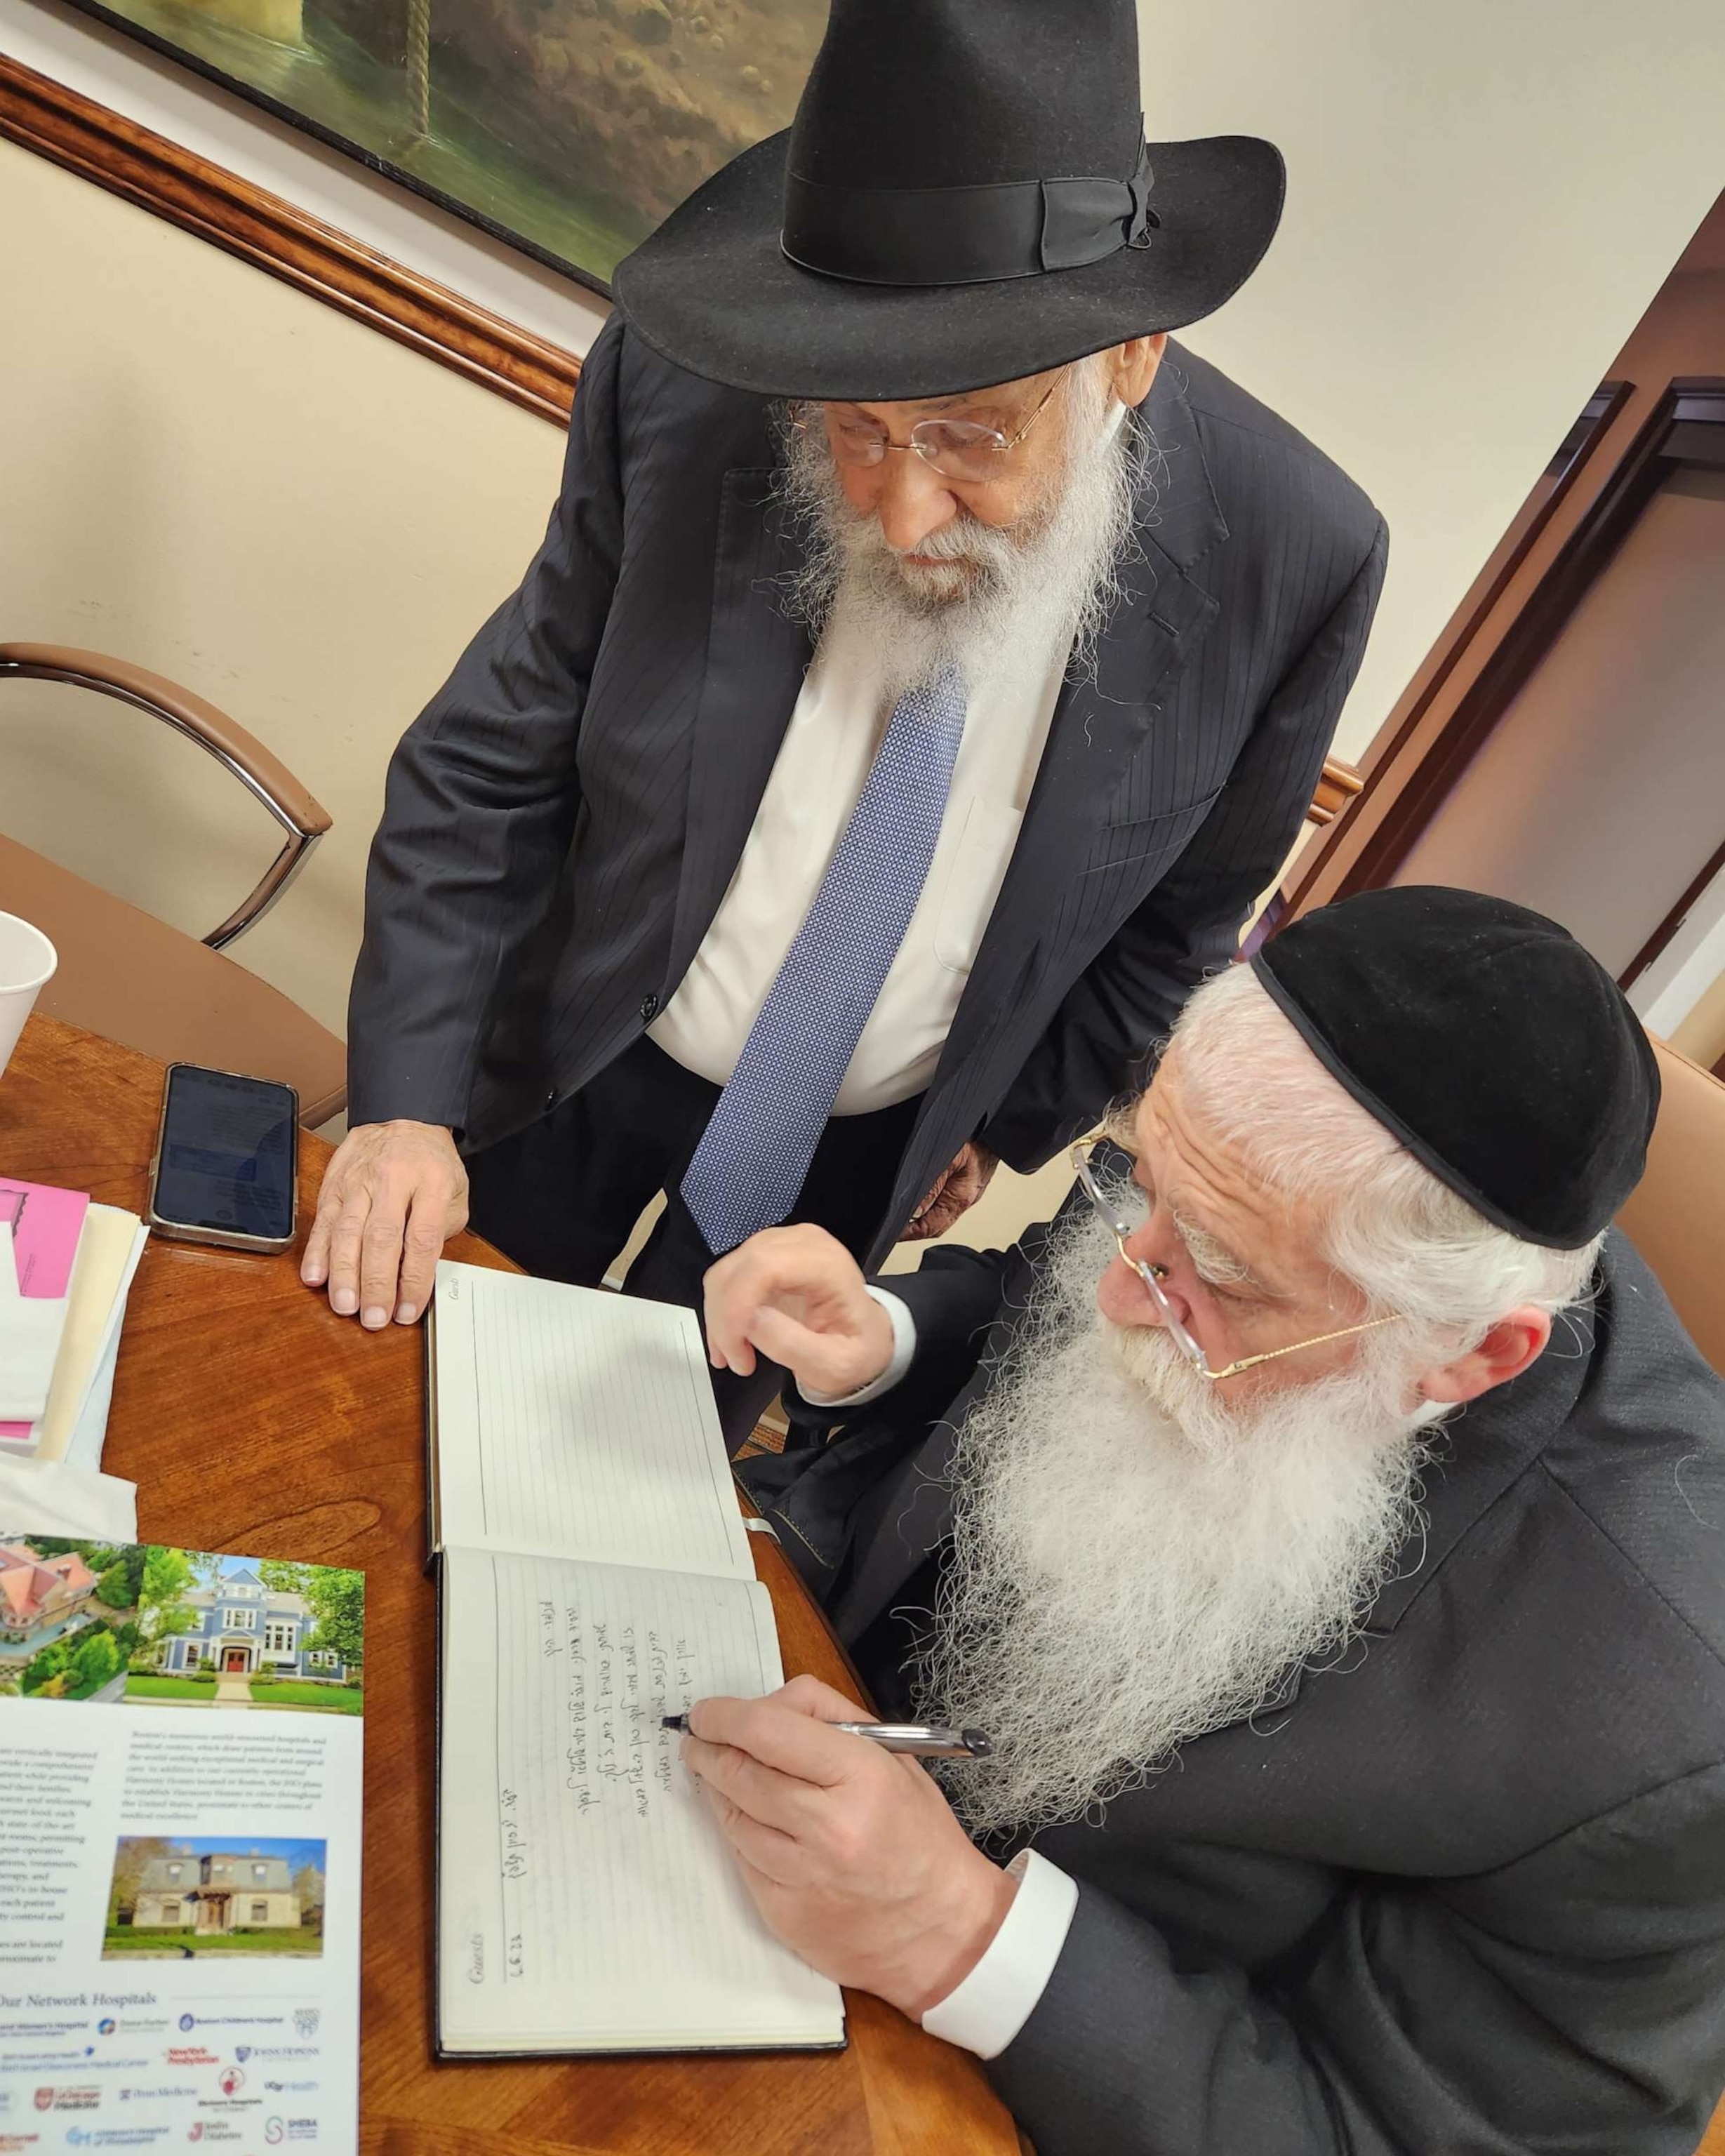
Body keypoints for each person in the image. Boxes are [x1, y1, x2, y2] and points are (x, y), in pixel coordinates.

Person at [307, 0, 1388, 1444]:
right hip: (567, 1058)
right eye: (858, 428)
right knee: (380, 1425)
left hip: (840, 1165)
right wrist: (403, 1104)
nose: (899, 508)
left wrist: (1001, 1125)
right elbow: (488, 757)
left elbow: (1174, 928)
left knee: (639, 1490)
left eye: (968, 436)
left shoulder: (1294, 555)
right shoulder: (684, 390)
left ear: (1126, 354)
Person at [687, 887, 1725, 2155]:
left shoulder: (1668, 1728)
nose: (1124, 1289)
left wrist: (961, 1936)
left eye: (1214, 1282)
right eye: (1144, 1190)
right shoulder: (1237, 1183)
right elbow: (1057, 1290)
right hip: (775, 1667)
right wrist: (889, 1341)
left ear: (1467, 1358)